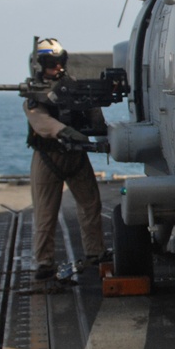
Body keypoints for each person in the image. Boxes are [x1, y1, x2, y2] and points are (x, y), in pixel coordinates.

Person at [24, 38, 110, 281]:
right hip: (48, 157)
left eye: (59, 62)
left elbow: (93, 112)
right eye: (51, 63)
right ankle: (44, 261)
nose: (57, 68)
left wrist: (98, 127)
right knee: (45, 213)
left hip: (76, 156)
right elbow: (42, 123)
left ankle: (95, 252)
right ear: (40, 65)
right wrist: (65, 131)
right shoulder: (35, 95)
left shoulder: (73, 87)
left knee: (91, 205)